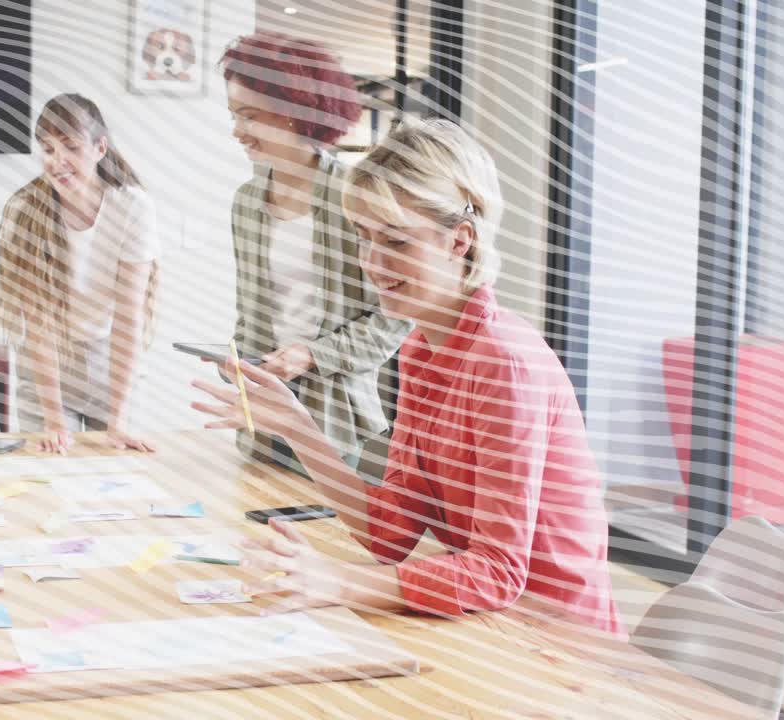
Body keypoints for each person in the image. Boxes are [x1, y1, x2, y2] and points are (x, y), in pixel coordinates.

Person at [192, 119, 622, 634]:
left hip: (557, 640)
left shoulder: (504, 363)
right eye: (363, 238)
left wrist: (338, 582)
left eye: (395, 242)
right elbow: (389, 534)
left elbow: (497, 573)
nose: (372, 264)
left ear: (458, 242)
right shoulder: (421, 347)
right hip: (487, 625)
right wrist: (299, 427)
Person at [219, 32, 412, 469]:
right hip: (264, 416)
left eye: (249, 116)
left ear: (295, 112)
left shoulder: (357, 195)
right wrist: (237, 362)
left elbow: (396, 316)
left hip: (339, 419)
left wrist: (313, 355)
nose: (238, 131)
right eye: (234, 115)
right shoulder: (246, 202)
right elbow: (251, 311)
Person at [0, 94, 158, 454]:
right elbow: (39, 324)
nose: (58, 161)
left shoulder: (132, 207)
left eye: (70, 147)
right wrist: (53, 419)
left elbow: (129, 317)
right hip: (49, 365)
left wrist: (118, 420)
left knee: (118, 465)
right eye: (48, 150)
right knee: (52, 469)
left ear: (100, 148)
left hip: (109, 360)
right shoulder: (25, 210)